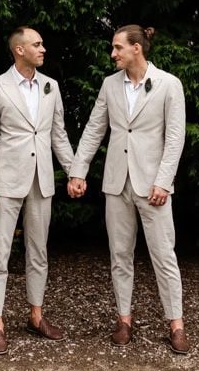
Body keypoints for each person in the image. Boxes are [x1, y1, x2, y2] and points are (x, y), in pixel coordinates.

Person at [67, 23, 189, 353]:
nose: (113, 53)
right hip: (116, 183)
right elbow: (94, 130)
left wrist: (164, 181)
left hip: (153, 186)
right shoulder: (109, 85)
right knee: (120, 254)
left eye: (117, 47)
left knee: (164, 255)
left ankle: (175, 324)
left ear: (136, 48)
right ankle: (124, 319)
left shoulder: (168, 85)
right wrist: (78, 171)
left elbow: (175, 139)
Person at [0, 25, 79, 353]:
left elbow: (57, 136)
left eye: (43, 44)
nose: (43, 49)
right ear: (19, 50)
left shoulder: (51, 86)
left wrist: (75, 172)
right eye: (37, 44)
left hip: (42, 181)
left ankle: (36, 316)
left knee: (39, 253)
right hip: (5, 183)